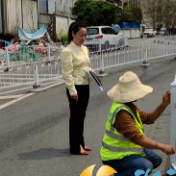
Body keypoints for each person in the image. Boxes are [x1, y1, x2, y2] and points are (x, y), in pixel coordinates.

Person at [100, 71, 175, 176]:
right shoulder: (122, 112)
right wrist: (162, 146)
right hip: (114, 156)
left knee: (155, 160)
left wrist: (164, 104)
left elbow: (148, 118)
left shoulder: (129, 106)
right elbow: (138, 138)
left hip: (127, 150)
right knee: (145, 166)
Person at [61, 22, 96, 155]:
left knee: (81, 116)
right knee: (75, 117)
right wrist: (72, 90)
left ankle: (81, 143)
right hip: (75, 87)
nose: (83, 38)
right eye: (81, 35)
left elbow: (85, 66)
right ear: (73, 34)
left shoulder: (84, 49)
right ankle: (75, 147)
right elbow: (67, 73)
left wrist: (93, 73)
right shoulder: (67, 51)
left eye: (85, 35)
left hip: (85, 85)